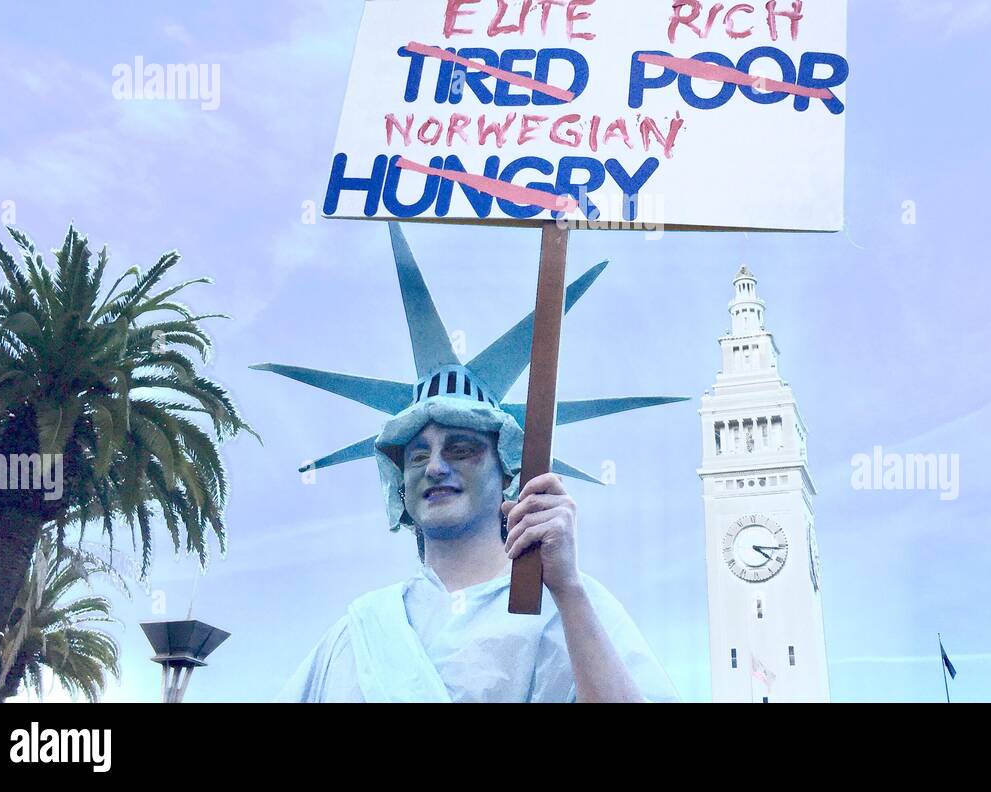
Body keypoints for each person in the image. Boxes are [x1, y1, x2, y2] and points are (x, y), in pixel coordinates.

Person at [265, 224, 683, 703]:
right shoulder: (355, 633)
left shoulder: (568, 607)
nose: (436, 467)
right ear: (399, 485)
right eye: (417, 455)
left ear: (508, 471)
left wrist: (566, 589)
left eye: (461, 449)